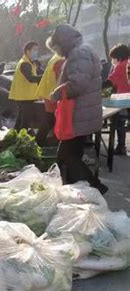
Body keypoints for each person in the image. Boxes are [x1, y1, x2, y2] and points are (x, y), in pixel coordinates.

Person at [48, 24, 108, 194]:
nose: (57, 51)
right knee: (70, 154)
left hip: (79, 114)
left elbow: (77, 84)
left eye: (57, 47)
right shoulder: (81, 51)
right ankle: (82, 190)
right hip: (82, 113)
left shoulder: (79, 53)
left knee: (66, 155)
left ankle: (94, 187)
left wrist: (56, 93)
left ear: (64, 42)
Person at [103, 43, 130, 155]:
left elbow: (110, 82)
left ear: (118, 56)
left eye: (113, 58)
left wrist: (101, 91)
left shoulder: (120, 66)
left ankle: (121, 147)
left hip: (124, 99)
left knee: (120, 122)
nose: (113, 60)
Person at [9, 41, 42, 130]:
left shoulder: (29, 62)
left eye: (37, 50)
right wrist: (45, 77)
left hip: (24, 97)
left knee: (20, 121)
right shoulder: (25, 64)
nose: (36, 52)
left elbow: (36, 74)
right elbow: (31, 78)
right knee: (25, 123)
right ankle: (20, 140)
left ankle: (15, 138)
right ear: (28, 51)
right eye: (34, 50)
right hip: (25, 98)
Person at [35, 51, 65, 146]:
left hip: (50, 94)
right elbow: (60, 79)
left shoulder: (56, 57)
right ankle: (41, 143)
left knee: (50, 120)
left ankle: (39, 142)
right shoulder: (60, 60)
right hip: (54, 96)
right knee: (52, 120)